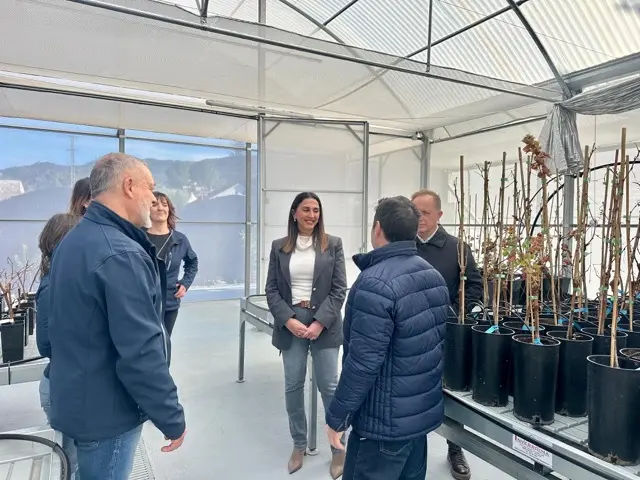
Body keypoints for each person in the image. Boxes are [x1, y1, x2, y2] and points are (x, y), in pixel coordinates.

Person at [48, 153, 186, 480]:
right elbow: (140, 351)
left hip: (78, 397)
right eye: (150, 188)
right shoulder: (120, 254)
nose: (153, 198)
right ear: (129, 186)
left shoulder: (76, 240)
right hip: (107, 412)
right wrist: (171, 417)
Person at [326, 196, 449, 480]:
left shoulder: (374, 283)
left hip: (381, 426)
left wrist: (338, 417)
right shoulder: (432, 275)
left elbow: (363, 362)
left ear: (378, 228)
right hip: (417, 421)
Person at [265, 192, 348, 478]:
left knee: (330, 386)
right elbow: (271, 289)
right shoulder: (279, 247)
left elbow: (339, 289)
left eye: (316, 210)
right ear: (294, 213)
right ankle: (299, 444)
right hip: (291, 322)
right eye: (306, 209)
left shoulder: (333, 244)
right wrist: (288, 320)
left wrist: (320, 323)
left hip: (324, 323)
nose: (312, 215)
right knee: (293, 385)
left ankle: (338, 447)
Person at [411, 189, 482, 480]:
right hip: (410, 336)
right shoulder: (404, 246)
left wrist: (452, 313)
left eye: (425, 213)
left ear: (440, 215)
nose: (419, 218)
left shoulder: (458, 249)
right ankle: (412, 450)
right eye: (415, 213)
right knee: (412, 394)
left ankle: (456, 447)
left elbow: (475, 287)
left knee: (451, 394)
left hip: (445, 334)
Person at [36, 213, 81, 479]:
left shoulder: (65, 279)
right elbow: (46, 345)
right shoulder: (53, 285)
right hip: (62, 389)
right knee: (70, 464)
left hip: (67, 386)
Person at [146, 191, 198, 336]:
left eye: (164, 205)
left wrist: (185, 283)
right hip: (143, 302)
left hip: (169, 302)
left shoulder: (180, 239)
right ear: (147, 209)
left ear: (169, 210)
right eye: (154, 204)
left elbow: (192, 262)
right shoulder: (138, 237)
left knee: (165, 341)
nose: (160, 208)